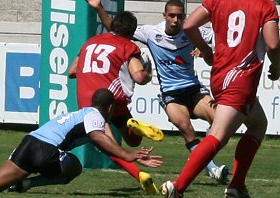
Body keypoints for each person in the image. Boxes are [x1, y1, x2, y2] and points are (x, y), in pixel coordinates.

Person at [86, 0, 229, 183]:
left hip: (194, 89)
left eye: (180, 16)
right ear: (164, 16)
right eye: (172, 16)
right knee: (186, 127)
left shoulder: (193, 30)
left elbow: (221, 37)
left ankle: (198, 154)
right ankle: (212, 168)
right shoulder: (151, 33)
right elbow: (116, 30)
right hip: (171, 94)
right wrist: (99, 7)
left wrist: (210, 50)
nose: (176, 20)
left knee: (221, 121)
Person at [160, 0, 280, 197]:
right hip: (240, 76)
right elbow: (273, 45)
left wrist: (206, 50)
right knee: (218, 135)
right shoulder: (264, 4)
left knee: (258, 124)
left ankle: (237, 185)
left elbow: (189, 24)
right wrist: (277, 67)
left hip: (220, 74)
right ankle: (178, 186)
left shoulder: (218, 0)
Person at [0, 89, 163, 193]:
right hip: (47, 149)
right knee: (75, 167)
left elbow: (105, 144)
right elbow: (97, 137)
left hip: (29, 142)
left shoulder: (82, 113)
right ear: (110, 107)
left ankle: (23, 184)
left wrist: (126, 156)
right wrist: (129, 154)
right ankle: (27, 184)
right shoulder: (95, 115)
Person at [68, 11, 164, 194]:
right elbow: (138, 76)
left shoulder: (89, 43)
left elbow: (72, 71)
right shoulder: (128, 46)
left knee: (108, 146)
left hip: (94, 102)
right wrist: (148, 72)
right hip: (113, 99)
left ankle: (139, 175)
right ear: (132, 31)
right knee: (133, 141)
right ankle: (132, 125)